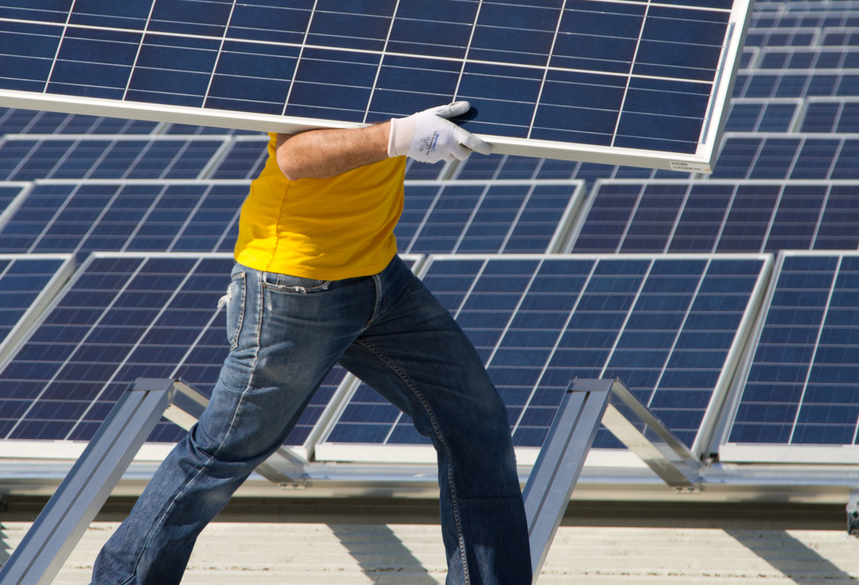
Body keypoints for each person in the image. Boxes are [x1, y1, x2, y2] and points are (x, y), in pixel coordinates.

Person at [90, 101, 533, 585]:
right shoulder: (323, 43)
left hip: (381, 275)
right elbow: (294, 157)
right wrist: (397, 137)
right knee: (222, 455)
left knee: (476, 423)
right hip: (295, 287)